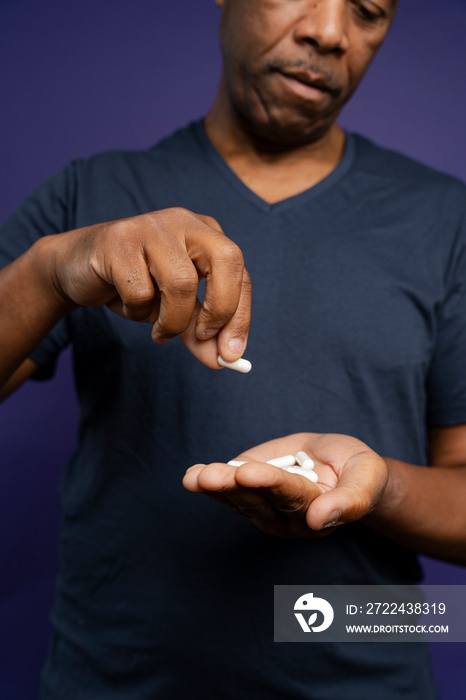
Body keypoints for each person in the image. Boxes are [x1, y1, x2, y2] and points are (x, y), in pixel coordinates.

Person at [1, 0, 465, 697]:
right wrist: (50, 272)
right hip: (116, 679)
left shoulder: (447, 221)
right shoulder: (91, 195)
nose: (330, 32)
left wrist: (378, 489)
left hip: (366, 667)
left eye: (368, 11)